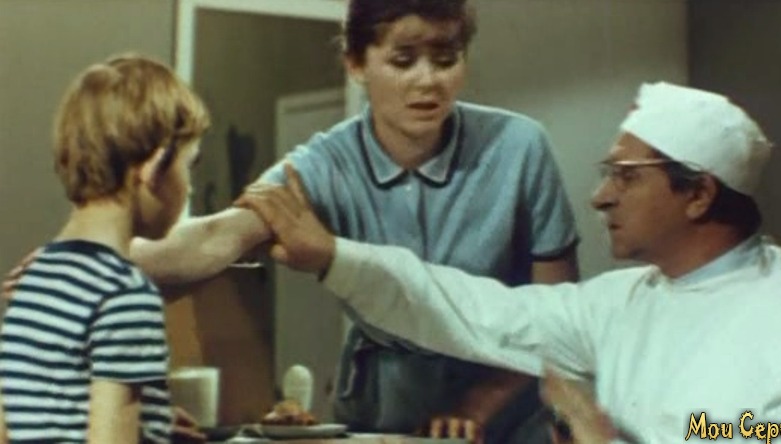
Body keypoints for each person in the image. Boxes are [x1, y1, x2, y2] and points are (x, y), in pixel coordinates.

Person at [237, 81, 781, 443]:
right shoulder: (625, 300)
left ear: (699, 194)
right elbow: (474, 311)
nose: (599, 196)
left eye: (625, 176)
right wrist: (333, 256)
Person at [131, 0, 579, 441]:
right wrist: (99, 244)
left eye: (446, 60)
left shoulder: (518, 147)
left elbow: (560, 318)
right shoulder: (325, 163)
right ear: (356, 64)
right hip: (382, 410)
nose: (428, 80)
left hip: (504, 412)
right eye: (403, 61)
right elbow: (214, 238)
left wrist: (475, 407)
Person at [0, 54, 210, 444]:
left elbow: (18, 423)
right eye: (189, 166)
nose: (190, 185)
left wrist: (150, 424)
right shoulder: (125, 293)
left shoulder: (31, 281)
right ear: (154, 167)